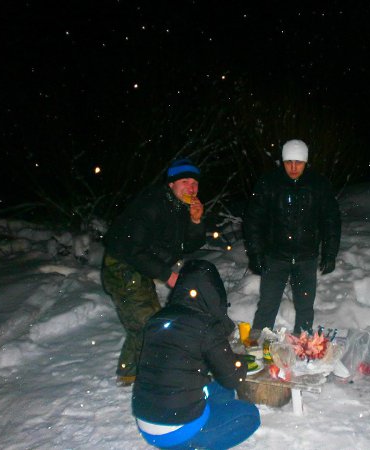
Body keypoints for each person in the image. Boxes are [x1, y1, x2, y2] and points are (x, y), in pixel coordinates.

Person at [132, 259, 260, 449]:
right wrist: (242, 362)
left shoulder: (157, 319)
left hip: (146, 422)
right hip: (178, 431)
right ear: (213, 292)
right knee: (250, 415)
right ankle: (195, 444)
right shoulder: (205, 326)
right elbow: (233, 378)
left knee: (222, 390)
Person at [101, 158, 206, 386]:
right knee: (150, 323)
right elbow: (132, 249)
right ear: (171, 184)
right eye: (185, 182)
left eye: (195, 183)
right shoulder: (151, 204)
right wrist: (168, 275)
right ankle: (145, 376)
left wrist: (196, 221)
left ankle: (129, 373)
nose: (191, 188)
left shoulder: (180, 207)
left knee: (146, 323)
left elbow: (188, 245)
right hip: (122, 267)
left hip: (141, 267)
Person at [244, 139, 341, 335]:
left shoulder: (318, 184)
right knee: (267, 305)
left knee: (305, 307)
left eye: (299, 162)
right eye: (289, 162)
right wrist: (255, 253)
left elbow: (331, 220)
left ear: (306, 162)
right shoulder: (269, 183)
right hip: (275, 256)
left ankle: (302, 344)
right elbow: (253, 220)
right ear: (283, 162)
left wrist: (330, 253)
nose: (294, 167)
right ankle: (256, 343)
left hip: (306, 257)